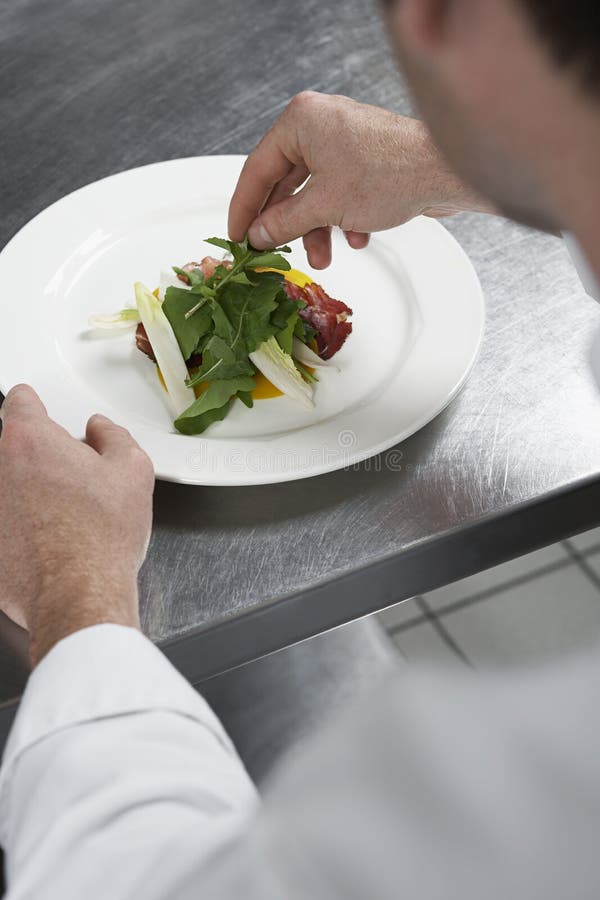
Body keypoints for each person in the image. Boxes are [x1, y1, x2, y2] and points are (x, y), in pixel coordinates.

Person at [1, 0, 600, 896]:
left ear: (438, 20)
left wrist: (69, 585)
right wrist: (456, 158)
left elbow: (140, 881)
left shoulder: (507, 791)